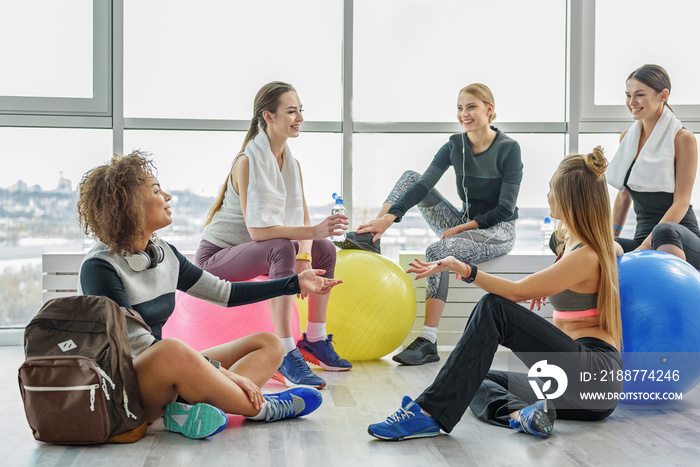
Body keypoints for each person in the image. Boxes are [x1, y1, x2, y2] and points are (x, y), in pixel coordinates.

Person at [77, 151, 342, 440]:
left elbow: (224, 292)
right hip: (128, 388)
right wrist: (223, 372)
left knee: (268, 343)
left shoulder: (163, 254)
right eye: (156, 190)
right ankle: (263, 408)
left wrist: (294, 283)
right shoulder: (99, 267)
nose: (167, 196)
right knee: (170, 349)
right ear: (130, 206)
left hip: (167, 370)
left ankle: (185, 413)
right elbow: (138, 347)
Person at [368, 148, 623, 441]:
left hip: (592, 376)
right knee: (472, 377)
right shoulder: (568, 243)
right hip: (570, 385)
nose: (548, 196)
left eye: (552, 189)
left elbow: (516, 293)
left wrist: (464, 269)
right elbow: (609, 249)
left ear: (569, 199)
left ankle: (427, 414)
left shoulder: (588, 254)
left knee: (495, 308)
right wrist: (555, 283)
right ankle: (523, 416)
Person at [338, 83, 523, 365]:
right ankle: (374, 233)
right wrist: (388, 218)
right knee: (412, 177)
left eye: (471, 107)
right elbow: (424, 185)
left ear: (489, 109)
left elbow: (504, 209)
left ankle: (428, 340)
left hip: (497, 231)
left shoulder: (509, 149)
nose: (464, 114)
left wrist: (462, 228)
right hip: (463, 224)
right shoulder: (454, 145)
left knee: (438, 252)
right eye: (460, 108)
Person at [196, 81, 351, 389]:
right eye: (291, 111)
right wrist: (310, 234)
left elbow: (303, 217)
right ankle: (285, 350)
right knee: (280, 247)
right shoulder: (248, 161)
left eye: (300, 111)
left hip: (255, 249)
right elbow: (258, 231)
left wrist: (306, 256)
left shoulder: (291, 163)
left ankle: (315, 339)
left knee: (325, 250)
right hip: (216, 258)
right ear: (268, 116)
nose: (300, 118)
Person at [606, 64, 700, 267]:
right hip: (643, 238)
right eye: (628, 95)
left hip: (676, 237)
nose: (632, 102)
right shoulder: (627, 138)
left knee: (663, 230)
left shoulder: (683, 139)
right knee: (591, 246)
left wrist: (643, 249)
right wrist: (608, 237)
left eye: (639, 95)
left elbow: (681, 203)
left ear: (663, 95)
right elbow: (624, 196)